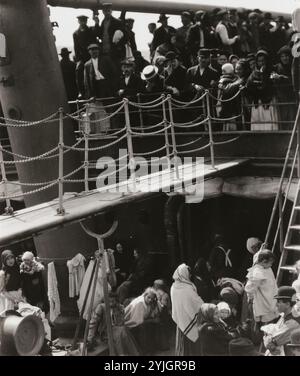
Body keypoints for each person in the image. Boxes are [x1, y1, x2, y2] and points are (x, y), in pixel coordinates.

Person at [170, 263, 204, 356]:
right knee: (193, 348)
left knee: (183, 347)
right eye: (188, 274)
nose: (189, 276)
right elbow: (196, 303)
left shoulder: (173, 287)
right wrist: (204, 306)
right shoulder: (187, 288)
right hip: (188, 319)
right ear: (184, 274)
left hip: (181, 320)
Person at [245, 249, 278, 339]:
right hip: (262, 299)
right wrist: (251, 297)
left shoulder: (265, 267)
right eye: (270, 263)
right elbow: (250, 287)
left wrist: (262, 249)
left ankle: (265, 336)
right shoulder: (257, 272)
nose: (271, 265)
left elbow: (257, 256)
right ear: (263, 261)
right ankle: (259, 338)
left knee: (269, 317)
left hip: (269, 294)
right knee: (262, 321)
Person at [262, 286, 300, 356]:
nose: (276, 304)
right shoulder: (286, 315)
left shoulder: (293, 322)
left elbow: (272, 342)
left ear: (287, 304)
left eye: (279, 302)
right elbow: (267, 333)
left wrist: (269, 339)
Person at [247, 49, 278, 131]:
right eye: (259, 61)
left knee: (269, 120)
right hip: (258, 101)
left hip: (268, 100)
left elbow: (269, 84)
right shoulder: (253, 73)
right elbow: (249, 84)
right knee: (258, 121)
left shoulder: (271, 70)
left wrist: (263, 75)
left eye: (263, 61)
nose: (262, 63)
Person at [124, 287, 161, 354]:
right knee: (144, 327)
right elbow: (138, 321)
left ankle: (151, 348)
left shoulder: (150, 302)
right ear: (145, 295)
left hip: (140, 320)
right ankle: (144, 350)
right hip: (129, 322)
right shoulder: (140, 303)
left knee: (152, 325)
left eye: (152, 298)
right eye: (148, 297)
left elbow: (152, 313)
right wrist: (153, 320)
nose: (150, 300)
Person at [73, 15, 97, 97]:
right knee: (78, 70)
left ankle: (95, 90)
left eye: (84, 20)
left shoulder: (91, 30)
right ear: (78, 21)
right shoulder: (75, 33)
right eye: (81, 21)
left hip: (91, 55)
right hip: (82, 57)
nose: (83, 22)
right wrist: (78, 59)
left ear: (86, 21)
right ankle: (80, 91)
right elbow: (76, 47)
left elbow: (95, 41)